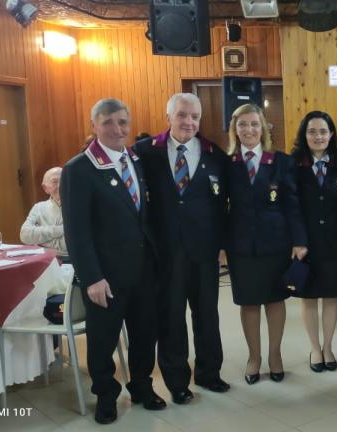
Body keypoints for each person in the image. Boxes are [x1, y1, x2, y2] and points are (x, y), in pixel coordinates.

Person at [61, 98, 163, 424]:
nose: (117, 129)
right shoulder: (79, 169)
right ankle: (106, 395)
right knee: (103, 341)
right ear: (94, 126)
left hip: (144, 269)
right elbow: (77, 232)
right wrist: (91, 277)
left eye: (122, 122)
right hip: (105, 275)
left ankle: (142, 387)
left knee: (145, 333)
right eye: (108, 123)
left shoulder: (138, 160)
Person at [132, 93, 230, 403]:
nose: (189, 122)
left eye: (194, 117)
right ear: (169, 117)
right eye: (182, 115)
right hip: (165, 252)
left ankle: (209, 373)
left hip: (204, 250)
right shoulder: (145, 153)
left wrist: (223, 246)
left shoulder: (215, 154)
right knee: (171, 317)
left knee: (207, 315)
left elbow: (226, 206)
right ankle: (177, 382)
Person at [226, 103, 307, 385]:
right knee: (249, 303)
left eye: (254, 124)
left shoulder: (281, 161)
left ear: (263, 129)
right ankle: (254, 358)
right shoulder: (227, 164)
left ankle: (274, 355)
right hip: (241, 246)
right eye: (242, 125)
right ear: (234, 130)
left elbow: (292, 204)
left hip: (276, 243)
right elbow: (220, 210)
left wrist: (299, 240)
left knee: (275, 300)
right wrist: (221, 246)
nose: (249, 129)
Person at [291, 111, 337, 373]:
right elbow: (290, 206)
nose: (318, 136)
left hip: (335, 242)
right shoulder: (293, 164)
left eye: (323, 131)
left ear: (331, 135)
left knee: (330, 296)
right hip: (305, 243)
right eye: (312, 132)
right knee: (308, 297)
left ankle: (328, 346)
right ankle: (315, 348)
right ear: (304, 135)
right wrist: (297, 240)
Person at [20, 167, 66, 256]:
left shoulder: (79, 207)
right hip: (43, 259)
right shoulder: (39, 207)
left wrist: (40, 243)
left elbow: (68, 245)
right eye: (55, 182)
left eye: (64, 180)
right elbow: (24, 235)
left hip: (71, 261)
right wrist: (63, 229)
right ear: (45, 188)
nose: (60, 185)